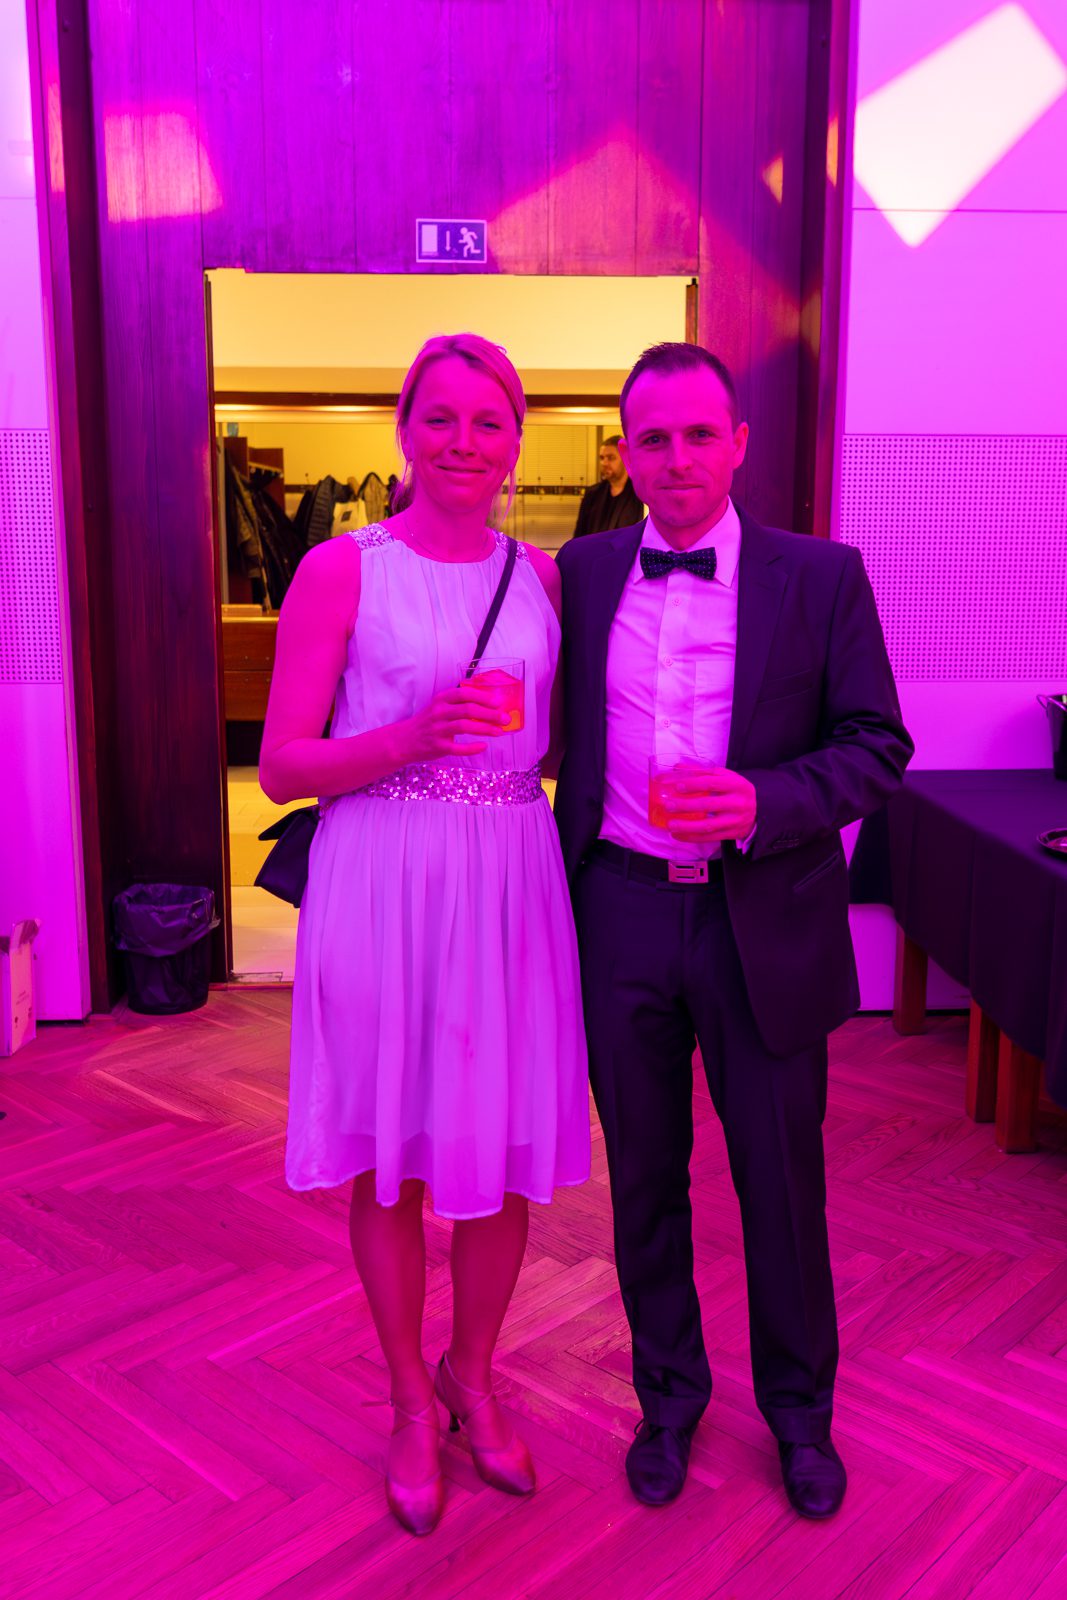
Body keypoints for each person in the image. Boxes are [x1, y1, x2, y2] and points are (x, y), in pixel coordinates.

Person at [554, 342, 912, 1518]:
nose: (676, 458)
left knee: (780, 1181)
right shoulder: (584, 570)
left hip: (759, 920)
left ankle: (799, 1416)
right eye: (652, 438)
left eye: (698, 434)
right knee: (643, 1175)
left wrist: (763, 801)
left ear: (737, 444)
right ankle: (667, 1397)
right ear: (625, 453)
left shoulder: (821, 576)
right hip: (619, 911)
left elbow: (875, 746)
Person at [260, 333, 590, 1537]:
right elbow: (281, 765)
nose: (463, 441)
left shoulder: (544, 577)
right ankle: (408, 1397)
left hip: (508, 871)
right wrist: (406, 736)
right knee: (390, 1150)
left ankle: (473, 1375)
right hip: (381, 871)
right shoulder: (340, 569)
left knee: (499, 1142)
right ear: (403, 428)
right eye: (438, 417)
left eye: (487, 421)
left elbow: (561, 743)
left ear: (515, 439)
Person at [572, 434, 644, 537]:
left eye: (611, 458)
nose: (604, 463)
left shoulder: (640, 494)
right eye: (602, 458)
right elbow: (579, 535)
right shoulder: (592, 494)